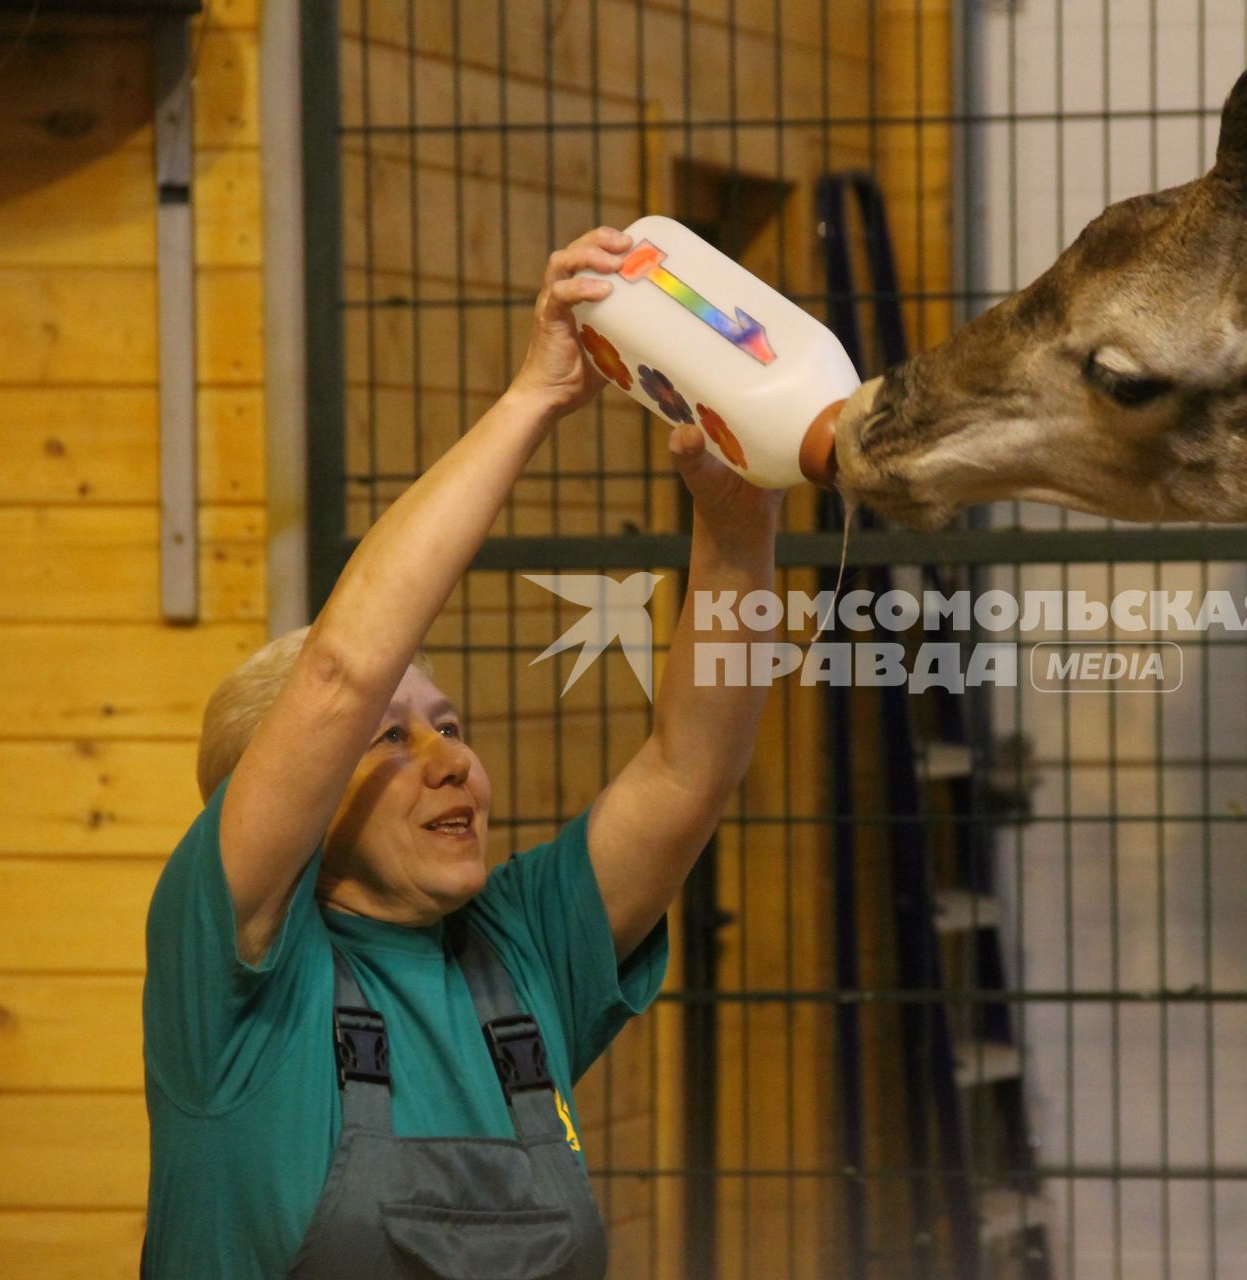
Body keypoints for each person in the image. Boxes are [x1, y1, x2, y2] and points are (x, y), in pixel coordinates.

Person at [141, 227, 781, 1278]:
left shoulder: (524, 947)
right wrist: (537, 394)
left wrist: (737, 528)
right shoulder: (235, 974)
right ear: (288, 807)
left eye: (451, 724)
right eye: (390, 738)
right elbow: (344, 670)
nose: (449, 760)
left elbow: (689, 770)